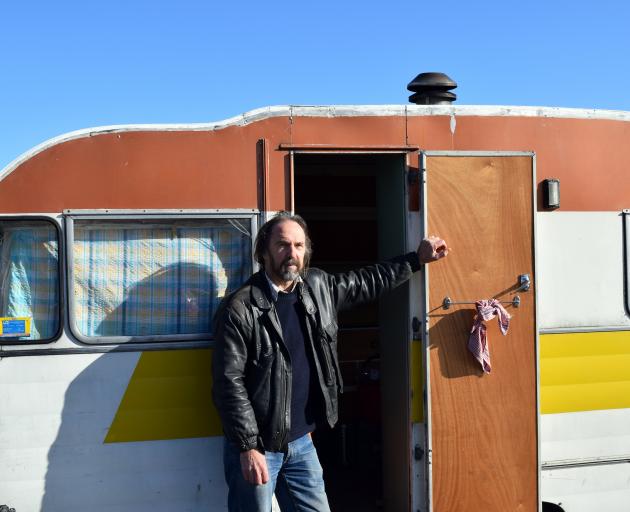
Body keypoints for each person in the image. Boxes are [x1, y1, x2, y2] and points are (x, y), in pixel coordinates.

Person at [212, 211, 448, 512]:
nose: (291, 254)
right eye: (283, 245)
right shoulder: (239, 308)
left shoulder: (317, 287)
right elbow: (228, 384)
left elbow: (367, 281)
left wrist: (416, 260)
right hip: (259, 446)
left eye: (298, 246)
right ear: (264, 251)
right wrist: (248, 447)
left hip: (300, 442)